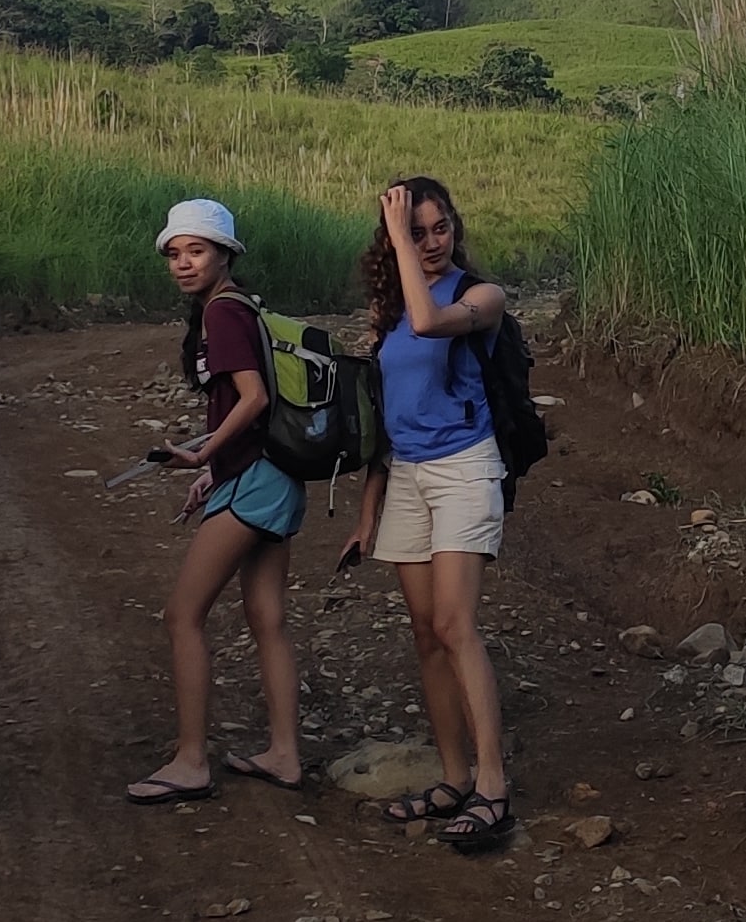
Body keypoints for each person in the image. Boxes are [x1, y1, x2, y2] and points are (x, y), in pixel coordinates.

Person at [342, 176, 514, 852]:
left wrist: (400, 245)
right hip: (407, 476)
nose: (433, 242)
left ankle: (493, 786)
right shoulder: (389, 309)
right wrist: (367, 511)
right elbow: (389, 418)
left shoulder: (480, 296)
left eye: (440, 228)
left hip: (465, 468)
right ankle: (451, 777)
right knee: (423, 633)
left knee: (454, 624)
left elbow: (430, 323)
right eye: (417, 232)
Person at [127, 197, 307, 806]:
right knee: (267, 617)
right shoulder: (239, 307)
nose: (182, 263)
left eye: (196, 251)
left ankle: (190, 760)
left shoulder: (222, 315)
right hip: (271, 474)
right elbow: (241, 409)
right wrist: (212, 467)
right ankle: (284, 754)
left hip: (254, 479)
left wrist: (206, 457)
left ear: (225, 254)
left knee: (183, 615)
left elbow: (253, 400)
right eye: (175, 254)